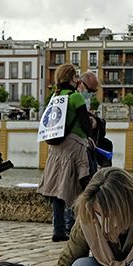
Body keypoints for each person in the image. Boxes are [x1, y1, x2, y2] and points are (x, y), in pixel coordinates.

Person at [39, 63, 96, 241]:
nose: (78, 79)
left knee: (58, 189)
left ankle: (58, 229)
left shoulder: (55, 97)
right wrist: (92, 125)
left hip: (55, 149)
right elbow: (86, 126)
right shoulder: (76, 97)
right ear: (72, 78)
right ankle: (75, 228)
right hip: (74, 147)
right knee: (77, 187)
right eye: (76, 76)